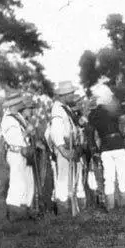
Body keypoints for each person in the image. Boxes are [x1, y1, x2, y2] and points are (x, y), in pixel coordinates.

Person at [85, 84, 125, 210]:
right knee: (123, 176)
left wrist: (94, 150)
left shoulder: (92, 115)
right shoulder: (113, 111)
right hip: (118, 145)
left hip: (105, 148)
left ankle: (110, 206)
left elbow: (90, 135)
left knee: (108, 178)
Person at [47, 81, 86, 214]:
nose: (73, 95)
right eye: (71, 93)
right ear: (64, 95)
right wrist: (63, 150)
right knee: (63, 179)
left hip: (71, 146)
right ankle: (63, 210)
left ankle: (71, 209)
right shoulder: (57, 109)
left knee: (72, 178)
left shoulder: (65, 108)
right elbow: (56, 131)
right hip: (64, 147)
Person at [0, 92, 36, 221]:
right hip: (16, 153)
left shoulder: (17, 116)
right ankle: (14, 212)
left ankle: (25, 209)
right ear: (14, 104)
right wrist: (27, 131)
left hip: (25, 153)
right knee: (17, 183)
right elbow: (15, 139)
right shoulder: (8, 119)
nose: (22, 103)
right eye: (20, 102)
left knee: (27, 182)